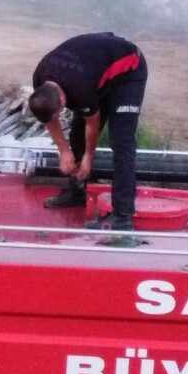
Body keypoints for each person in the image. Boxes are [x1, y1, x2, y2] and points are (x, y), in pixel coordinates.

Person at [28, 31, 149, 231]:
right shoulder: (40, 77)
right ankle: (78, 191)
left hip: (129, 71)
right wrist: (64, 152)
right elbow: (49, 118)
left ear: (63, 101)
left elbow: (92, 125)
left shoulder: (80, 89)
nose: (58, 117)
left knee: (121, 142)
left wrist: (88, 158)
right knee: (76, 133)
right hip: (96, 71)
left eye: (59, 113)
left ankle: (122, 215)